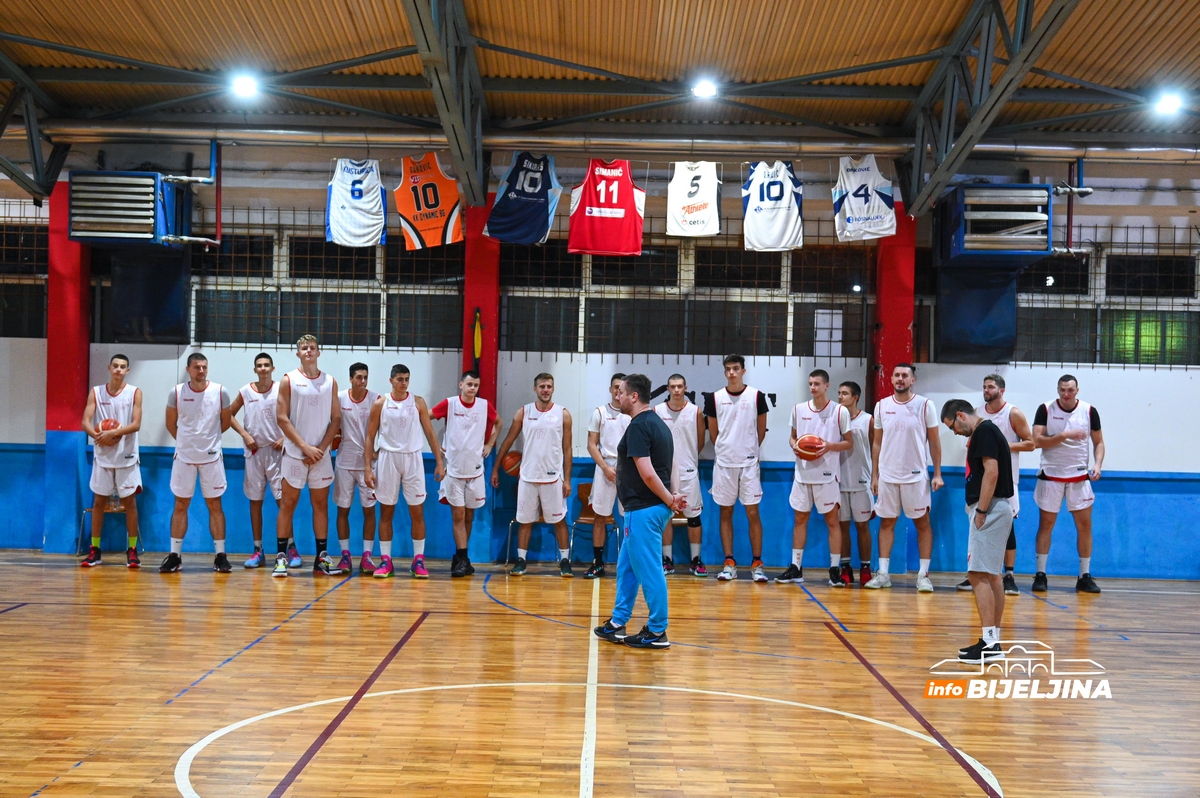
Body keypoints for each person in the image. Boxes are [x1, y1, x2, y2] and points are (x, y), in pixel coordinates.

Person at [594, 374, 688, 650]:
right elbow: (673, 465)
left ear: (634, 396)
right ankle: (618, 622)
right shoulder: (659, 423)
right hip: (648, 510)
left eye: (621, 392)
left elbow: (647, 474)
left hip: (644, 510)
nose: (617, 397)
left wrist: (671, 499)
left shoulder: (639, 426)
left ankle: (658, 630)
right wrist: (674, 496)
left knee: (649, 571)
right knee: (627, 567)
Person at [941, 399, 1014, 663]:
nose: (956, 432)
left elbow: (991, 473)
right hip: (995, 508)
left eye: (953, 427)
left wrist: (981, 511)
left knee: (977, 575)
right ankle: (991, 641)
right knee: (992, 576)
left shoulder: (983, 431)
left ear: (961, 415)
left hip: (991, 509)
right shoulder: (989, 431)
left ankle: (990, 644)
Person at [866, 363, 943, 591]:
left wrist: (937, 473)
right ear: (891, 379)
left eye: (905, 376)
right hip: (888, 476)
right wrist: (874, 475)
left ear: (913, 380)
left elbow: (935, 441)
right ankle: (883, 574)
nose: (900, 379)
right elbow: (877, 443)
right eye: (896, 375)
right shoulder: (881, 406)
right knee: (886, 522)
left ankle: (923, 575)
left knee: (922, 523)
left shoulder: (925, 405)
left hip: (916, 475)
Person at [364, 364, 445, 578]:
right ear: (391, 380)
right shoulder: (380, 404)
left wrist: (439, 461)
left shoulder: (417, 402)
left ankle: (418, 561)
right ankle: (386, 561)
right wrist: (367, 468)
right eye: (400, 379)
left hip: (413, 458)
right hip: (387, 458)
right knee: (386, 512)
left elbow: (430, 432)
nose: (404, 383)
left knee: (417, 512)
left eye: (407, 379)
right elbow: (370, 437)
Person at [956, 374, 1033, 596]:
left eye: (991, 386)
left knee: (1006, 528)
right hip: (980, 478)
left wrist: (999, 444)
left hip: (1006, 479)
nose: (986, 390)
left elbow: (1030, 443)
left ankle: (1008, 574)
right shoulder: (977, 414)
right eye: (984, 387)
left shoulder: (1013, 413)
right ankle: (978, 571)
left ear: (1002, 390)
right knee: (978, 525)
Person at [491, 373, 574, 577]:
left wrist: (568, 479)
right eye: (542, 386)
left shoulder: (563, 414)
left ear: (553, 389)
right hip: (527, 476)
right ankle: (521, 561)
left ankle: (564, 561)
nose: (546, 390)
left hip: (553, 476)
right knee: (525, 520)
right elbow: (508, 441)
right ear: (535, 389)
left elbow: (568, 449)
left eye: (549, 386)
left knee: (559, 520)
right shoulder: (523, 412)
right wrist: (495, 468)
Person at [775, 370, 852, 586]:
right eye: (810, 383)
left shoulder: (839, 411)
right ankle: (796, 567)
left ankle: (834, 569)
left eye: (817, 384)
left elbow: (849, 442)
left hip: (827, 476)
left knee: (832, 522)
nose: (813, 387)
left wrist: (828, 446)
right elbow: (792, 438)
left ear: (827, 386)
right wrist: (796, 447)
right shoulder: (798, 409)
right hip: (803, 474)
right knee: (800, 520)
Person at [274, 335, 341, 578]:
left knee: (321, 505)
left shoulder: (330, 381)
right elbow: (282, 418)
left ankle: (321, 558)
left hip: (320, 455)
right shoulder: (288, 380)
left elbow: (336, 418)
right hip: (295, 454)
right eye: (304, 348)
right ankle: (281, 557)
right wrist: (304, 447)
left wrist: (321, 448)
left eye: (312, 347)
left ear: (319, 352)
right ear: (298, 353)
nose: (308, 351)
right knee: (287, 504)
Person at [1031, 375, 1105, 594]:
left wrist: (1098, 464)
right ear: (1057, 390)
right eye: (1062, 390)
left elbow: (1099, 442)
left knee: (1084, 526)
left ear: (1077, 390)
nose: (1066, 394)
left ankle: (1084, 576)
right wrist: (1064, 435)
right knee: (1046, 525)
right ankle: (1041, 574)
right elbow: (1036, 440)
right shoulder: (1045, 409)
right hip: (1051, 475)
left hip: (1079, 476)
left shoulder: (1089, 411)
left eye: (1070, 390)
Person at [161, 352, 233, 573]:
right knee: (180, 505)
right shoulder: (177, 392)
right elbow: (170, 424)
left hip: (211, 457)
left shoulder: (220, 391)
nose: (201, 371)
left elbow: (226, 422)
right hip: (184, 457)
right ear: (188, 370)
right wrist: (187, 443)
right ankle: (175, 555)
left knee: (215, 505)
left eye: (204, 367)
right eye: (197, 367)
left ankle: (221, 556)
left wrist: (207, 441)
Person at [705, 354, 770, 582]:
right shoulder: (714, 398)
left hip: (749, 463)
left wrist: (748, 450)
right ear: (725, 372)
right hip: (724, 464)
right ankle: (729, 562)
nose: (732, 372)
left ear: (743, 371)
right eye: (728, 369)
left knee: (753, 512)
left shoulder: (756, 396)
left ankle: (757, 564)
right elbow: (713, 434)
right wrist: (726, 449)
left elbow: (761, 431)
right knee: (726, 512)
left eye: (736, 368)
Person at [431, 370, 501, 578]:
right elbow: (425, 417)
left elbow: (499, 423)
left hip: (476, 470)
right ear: (460, 385)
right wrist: (436, 447)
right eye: (469, 384)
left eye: (476, 385)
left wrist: (490, 443)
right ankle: (462, 558)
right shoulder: (449, 404)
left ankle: (461, 556)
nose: (473, 388)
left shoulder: (484, 405)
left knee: (469, 515)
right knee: (458, 515)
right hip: (453, 469)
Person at [228, 353, 294, 569]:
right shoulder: (246, 391)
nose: (263, 368)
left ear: (273, 368)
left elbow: (296, 416)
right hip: (255, 453)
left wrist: (286, 437)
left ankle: (290, 549)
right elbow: (227, 414)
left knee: (283, 503)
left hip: (278, 453)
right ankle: (258, 550)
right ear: (255, 369)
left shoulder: (281, 389)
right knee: (255, 502)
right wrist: (245, 435)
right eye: (259, 365)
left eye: (267, 365)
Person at [81, 353, 143, 568]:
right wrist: (99, 436)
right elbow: (85, 422)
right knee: (98, 502)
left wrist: (113, 433)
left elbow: (136, 425)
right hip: (103, 455)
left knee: (130, 503)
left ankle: (132, 550)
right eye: (115, 366)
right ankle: (95, 550)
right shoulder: (96, 392)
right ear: (109, 368)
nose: (118, 369)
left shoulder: (134, 392)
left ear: (127, 370)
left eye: (122, 366)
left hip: (126, 455)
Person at [655, 374, 707, 576]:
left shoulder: (695, 412)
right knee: (666, 517)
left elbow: (700, 443)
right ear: (667, 389)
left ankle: (696, 560)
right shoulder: (657, 411)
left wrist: (688, 460)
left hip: (689, 473)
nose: (676, 390)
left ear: (686, 388)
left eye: (679, 387)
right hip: (664, 475)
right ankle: (667, 559)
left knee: (694, 517)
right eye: (672, 387)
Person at [332, 363, 380, 575]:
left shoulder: (376, 399)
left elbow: (387, 427)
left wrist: (379, 450)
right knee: (343, 510)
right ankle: (345, 555)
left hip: (368, 466)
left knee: (369, 511)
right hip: (344, 463)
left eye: (365, 377)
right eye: (359, 377)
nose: (362, 381)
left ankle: (367, 556)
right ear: (350, 378)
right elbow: (330, 425)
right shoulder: (340, 398)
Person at [584, 373, 630, 579]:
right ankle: (598, 562)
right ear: (610, 389)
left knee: (629, 518)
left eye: (622, 388)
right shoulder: (600, 412)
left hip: (628, 468)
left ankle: (631, 562)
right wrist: (604, 467)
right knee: (600, 517)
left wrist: (625, 469)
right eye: (615, 388)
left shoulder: (633, 414)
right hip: (605, 467)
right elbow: (591, 444)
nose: (618, 391)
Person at [836, 381, 875, 586]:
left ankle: (866, 567)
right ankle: (845, 567)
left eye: (844, 393)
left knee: (862, 526)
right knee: (842, 527)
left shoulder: (868, 420)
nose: (840, 397)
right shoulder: (834, 419)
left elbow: (877, 449)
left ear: (855, 397)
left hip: (862, 479)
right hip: (839, 480)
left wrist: (876, 477)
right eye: (839, 393)